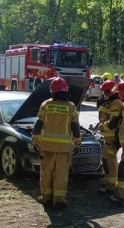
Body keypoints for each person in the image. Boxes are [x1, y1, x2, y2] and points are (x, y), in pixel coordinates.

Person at [31, 77, 82, 210]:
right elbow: (75, 127)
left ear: (52, 91)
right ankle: (59, 200)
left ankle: (46, 198)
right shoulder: (71, 106)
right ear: (66, 91)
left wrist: (35, 139)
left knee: (46, 172)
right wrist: (77, 142)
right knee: (61, 174)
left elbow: (38, 125)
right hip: (64, 148)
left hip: (46, 146)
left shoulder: (46, 105)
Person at [97, 80, 123, 195]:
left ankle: (110, 186)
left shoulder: (116, 102)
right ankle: (108, 183)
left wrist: (102, 126)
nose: (104, 93)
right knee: (107, 160)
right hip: (107, 136)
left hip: (112, 138)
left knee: (109, 161)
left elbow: (113, 121)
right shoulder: (108, 102)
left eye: (105, 91)